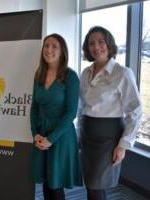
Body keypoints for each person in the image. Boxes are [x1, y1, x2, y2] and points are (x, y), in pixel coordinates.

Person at [79, 26, 142, 200]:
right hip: (87, 134)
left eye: (101, 42)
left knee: (96, 184)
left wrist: (123, 145)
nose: (96, 47)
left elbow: (135, 111)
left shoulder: (122, 73)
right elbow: (82, 106)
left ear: (109, 44)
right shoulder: (85, 73)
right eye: (91, 43)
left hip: (108, 137)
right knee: (91, 184)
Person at [30, 34, 83, 200]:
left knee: (56, 185)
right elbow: (34, 107)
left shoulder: (71, 77)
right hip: (42, 134)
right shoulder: (39, 74)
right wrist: (35, 134)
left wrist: (51, 139)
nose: (49, 50)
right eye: (46, 46)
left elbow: (71, 113)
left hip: (61, 136)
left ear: (62, 52)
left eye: (54, 46)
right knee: (46, 181)